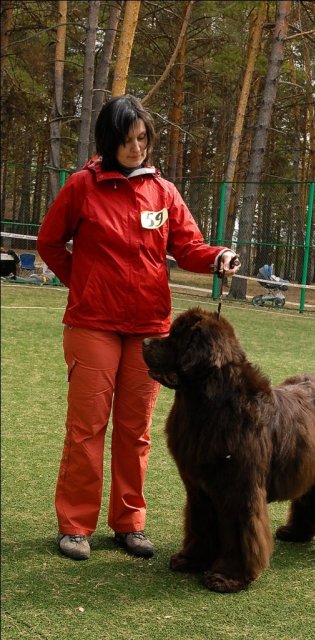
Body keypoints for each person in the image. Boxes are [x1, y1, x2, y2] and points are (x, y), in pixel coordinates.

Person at [37, 94, 240, 561]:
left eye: (143, 138)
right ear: (109, 140)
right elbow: (50, 242)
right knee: (87, 427)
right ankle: (75, 525)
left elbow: (189, 247)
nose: (136, 148)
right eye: (127, 140)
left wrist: (219, 257)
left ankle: (129, 523)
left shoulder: (163, 192)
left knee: (136, 430)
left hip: (149, 330)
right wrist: (81, 284)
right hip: (92, 324)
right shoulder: (81, 187)